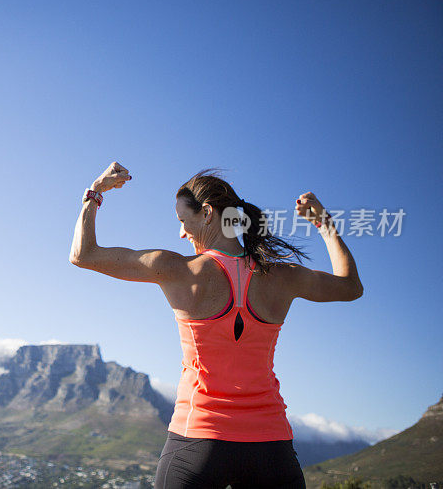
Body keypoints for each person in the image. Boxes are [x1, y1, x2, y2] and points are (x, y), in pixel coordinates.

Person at [69, 162, 363, 489]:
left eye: (183, 220)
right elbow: (351, 287)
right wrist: (324, 225)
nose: (181, 232)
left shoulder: (177, 269)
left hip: (196, 442)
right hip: (271, 448)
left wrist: (95, 192)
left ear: (207, 213)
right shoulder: (283, 277)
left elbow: (83, 255)